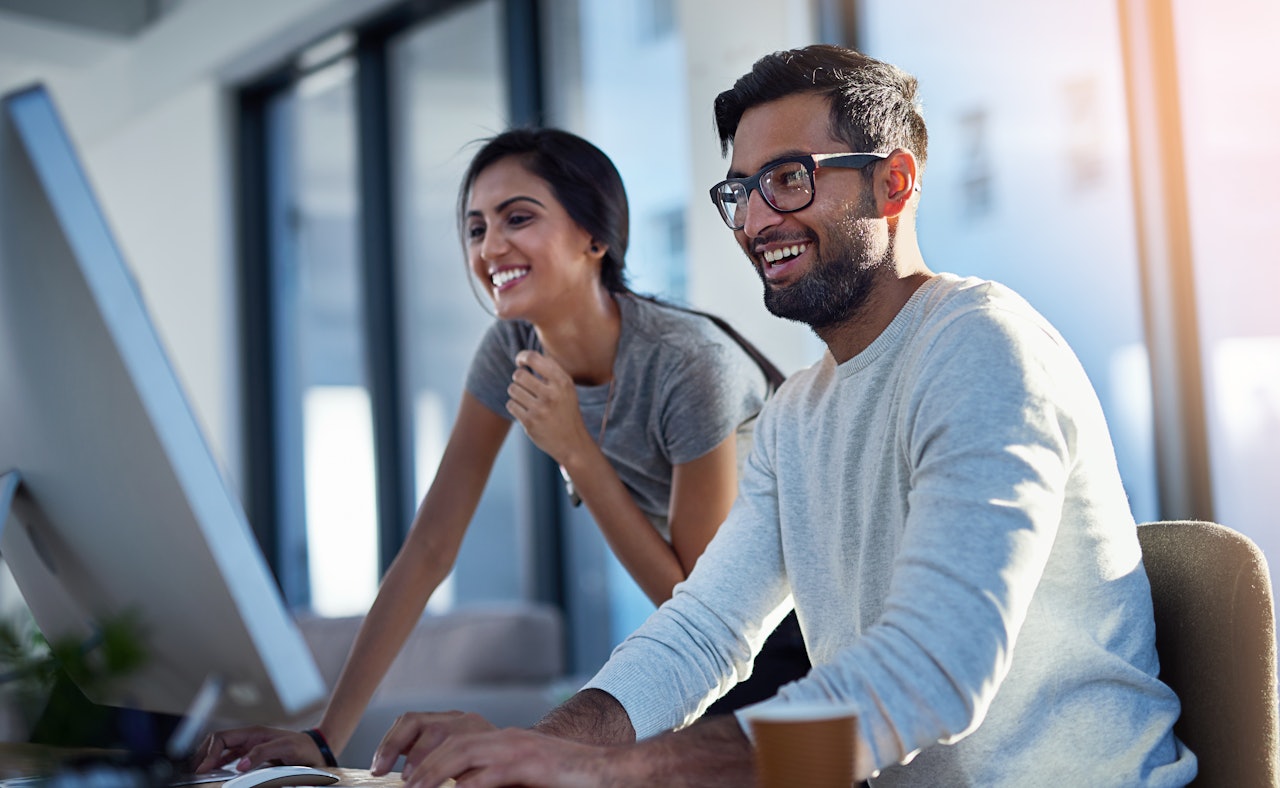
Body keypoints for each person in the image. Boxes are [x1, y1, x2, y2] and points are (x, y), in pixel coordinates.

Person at [365, 44, 1199, 787]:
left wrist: (617, 769)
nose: (758, 219)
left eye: (790, 179)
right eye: (741, 191)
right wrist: (539, 752)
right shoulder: (799, 411)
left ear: (894, 182)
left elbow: (934, 670)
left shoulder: (982, 347)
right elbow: (701, 631)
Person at [194, 128, 810, 772]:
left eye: (518, 218)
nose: (491, 247)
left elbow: (693, 601)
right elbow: (430, 547)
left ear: (594, 238)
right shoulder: (510, 347)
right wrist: (324, 738)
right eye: (475, 228)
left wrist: (576, 452)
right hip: (699, 648)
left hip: (792, 630)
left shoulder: (689, 364)